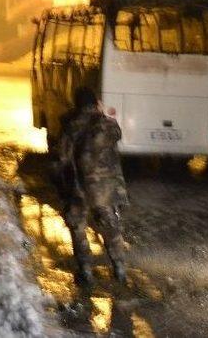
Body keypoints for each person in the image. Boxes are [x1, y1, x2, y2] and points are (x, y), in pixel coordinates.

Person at [57, 86, 129, 285]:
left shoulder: (70, 126)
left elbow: (62, 158)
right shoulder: (108, 125)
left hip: (78, 189)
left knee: (78, 228)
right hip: (104, 191)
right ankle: (120, 269)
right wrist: (101, 112)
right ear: (95, 103)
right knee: (111, 229)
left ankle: (86, 271)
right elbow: (118, 134)